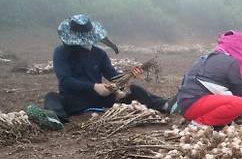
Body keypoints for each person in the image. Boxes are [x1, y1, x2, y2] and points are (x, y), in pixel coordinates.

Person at [41, 14, 169, 124]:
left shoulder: (99, 53)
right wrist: (93, 86)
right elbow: (65, 80)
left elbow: (112, 75)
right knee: (51, 97)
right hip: (73, 100)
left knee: (135, 90)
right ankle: (57, 120)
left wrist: (128, 75)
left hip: (99, 98)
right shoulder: (61, 52)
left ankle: (165, 105)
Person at [174, 30, 242, 127]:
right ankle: (199, 123)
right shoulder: (231, 62)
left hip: (184, 105)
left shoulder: (205, 58)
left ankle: (198, 119)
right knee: (240, 103)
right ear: (238, 48)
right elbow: (239, 92)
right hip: (194, 106)